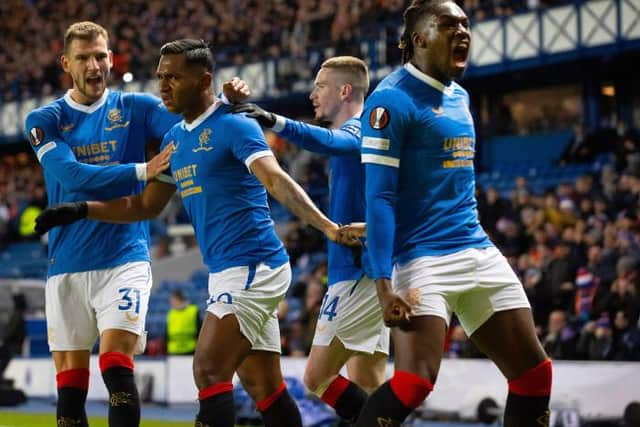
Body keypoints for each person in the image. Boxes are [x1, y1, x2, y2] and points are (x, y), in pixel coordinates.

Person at [35, 39, 359, 427]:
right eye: (160, 77)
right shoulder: (175, 141)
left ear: (203, 79)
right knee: (264, 386)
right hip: (226, 271)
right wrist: (80, 209)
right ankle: (374, 417)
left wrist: (328, 228)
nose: (164, 86)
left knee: (207, 370)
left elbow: (276, 180)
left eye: (174, 77)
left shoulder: (235, 124)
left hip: (254, 266)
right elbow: (144, 207)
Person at [25, 22, 248, 427]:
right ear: (65, 63)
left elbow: (192, 125)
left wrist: (223, 104)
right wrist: (144, 170)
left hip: (124, 257)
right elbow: (73, 177)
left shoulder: (138, 109)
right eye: (83, 58)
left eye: (101, 56)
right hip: (66, 265)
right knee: (70, 395)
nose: (95, 65)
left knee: (116, 367)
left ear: (111, 58)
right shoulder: (46, 119)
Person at [352, 1, 552, 426]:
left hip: (475, 247)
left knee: (535, 374)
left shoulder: (460, 96)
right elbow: (380, 198)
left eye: (465, 24)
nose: (463, 31)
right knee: (414, 383)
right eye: (449, 25)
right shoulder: (389, 102)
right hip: (422, 259)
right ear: (420, 38)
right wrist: (383, 285)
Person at [229, 56, 389, 424]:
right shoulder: (365, 134)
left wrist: (273, 120)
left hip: (358, 272)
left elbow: (329, 141)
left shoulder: (362, 127)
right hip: (363, 268)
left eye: (320, 86)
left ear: (345, 90)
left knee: (317, 378)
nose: (313, 94)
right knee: (368, 382)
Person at [165, 289, 201, 356]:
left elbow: (199, 329)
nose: (171, 303)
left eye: (172, 300)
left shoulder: (193, 310)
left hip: (191, 349)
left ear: (178, 299)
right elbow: (166, 333)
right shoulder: (171, 313)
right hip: (173, 350)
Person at [0, 294, 27, 382]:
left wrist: (4, 340)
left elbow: (10, 332)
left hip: (11, 346)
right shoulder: (17, 316)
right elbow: (10, 331)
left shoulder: (17, 316)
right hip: (10, 346)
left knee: (4, 357)